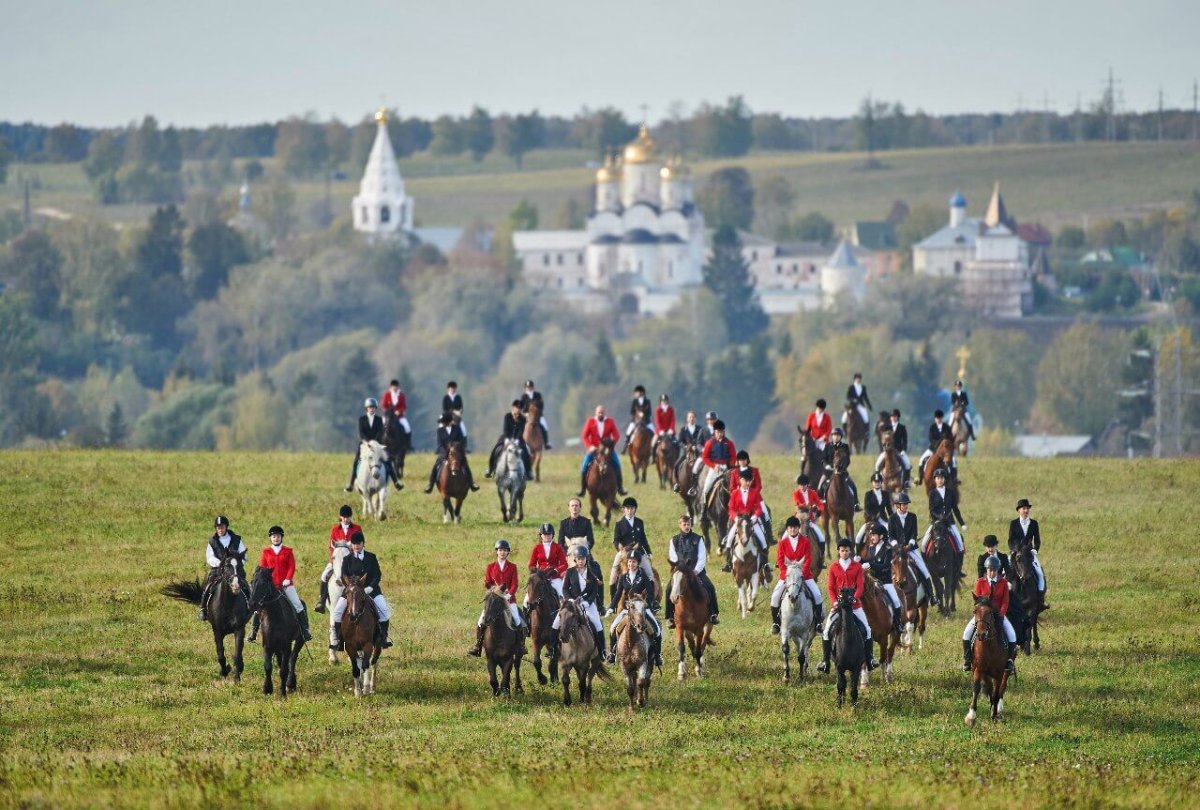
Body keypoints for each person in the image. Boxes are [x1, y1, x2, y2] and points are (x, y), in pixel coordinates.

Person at [817, 538, 878, 672]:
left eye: (847, 551)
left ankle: (870, 659)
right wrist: (834, 601)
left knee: (867, 630)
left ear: (850, 552)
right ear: (838, 551)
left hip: (854, 606)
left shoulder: (857, 567)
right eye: (842, 550)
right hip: (838, 606)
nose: (844, 553)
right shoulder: (833, 567)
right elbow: (830, 587)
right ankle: (825, 661)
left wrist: (854, 598)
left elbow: (860, 586)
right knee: (826, 631)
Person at [330, 531, 393, 650]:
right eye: (354, 544)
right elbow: (344, 576)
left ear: (363, 544)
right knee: (337, 612)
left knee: (384, 611)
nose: (356, 546)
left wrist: (370, 587)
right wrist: (349, 588)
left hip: (371, 590)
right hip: (352, 592)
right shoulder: (347, 559)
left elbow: (377, 575)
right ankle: (339, 640)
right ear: (352, 545)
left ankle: (383, 638)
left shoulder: (371, 557)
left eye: (359, 544)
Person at [250, 525, 312, 643]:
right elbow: (263, 568)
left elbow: (291, 566)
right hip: (270, 586)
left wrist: (288, 579)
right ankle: (253, 632)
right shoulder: (266, 552)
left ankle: (305, 631)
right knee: (259, 605)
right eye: (274, 536)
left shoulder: (288, 551)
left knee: (298, 604)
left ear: (281, 537)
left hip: (286, 585)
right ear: (270, 538)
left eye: (278, 536)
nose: (276, 538)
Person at [468, 539, 527, 657]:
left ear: (508, 552)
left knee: (517, 620)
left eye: (505, 550)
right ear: (497, 552)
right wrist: (488, 586)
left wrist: (509, 594)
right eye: (500, 550)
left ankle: (520, 645)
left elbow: (515, 584)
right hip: (494, 600)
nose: (502, 552)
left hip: (509, 599)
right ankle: (478, 646)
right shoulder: (490, 567)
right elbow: (488, 583)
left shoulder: (512, 567)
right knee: (481, 621)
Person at [606, 552, 663, 666]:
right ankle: (612, 653)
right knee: (612, 628)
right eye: (630, 561)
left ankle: (657, 655)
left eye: (634, 562)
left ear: (638, 563)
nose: (631, 564)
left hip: (642, 608)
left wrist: (647, 604)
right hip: (628, 609)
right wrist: (611, 607)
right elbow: (618, 594)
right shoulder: (623, 577)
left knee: (656, 630)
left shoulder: (644, 576)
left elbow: (650, 593)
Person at [769, 516, 823, 634]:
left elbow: (808, 559)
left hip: (804, 575)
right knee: (774, 597)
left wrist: (801, 573)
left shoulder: (805, 541)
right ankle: (776, 623)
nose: (793, 530)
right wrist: (786, 574)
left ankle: (818, 623)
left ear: (799, 528)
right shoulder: (782, 543)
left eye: (795, 528)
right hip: (787, 576)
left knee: (817, 595)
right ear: (787, 529)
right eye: (790, 528)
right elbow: (780, 560)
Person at [963, 556, 1017, 673]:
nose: (992, 573)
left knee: (1012, 635)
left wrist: (1001, 614)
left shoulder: (1003, 583)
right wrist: (980, 614)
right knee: (966, 633)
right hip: (982, 615)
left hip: (998, 615)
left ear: (997, 570)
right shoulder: (980, 582)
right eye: (989, 570)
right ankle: (967, 660)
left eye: (994, 570)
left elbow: (1005, 601)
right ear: (986, 570)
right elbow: (978, 601)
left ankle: (1009, 660)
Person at [665, 514, 720, 627]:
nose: (686, 526)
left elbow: (702, 557)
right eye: (684, 524)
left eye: (688, 524)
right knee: (668, 589)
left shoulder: (698, 539)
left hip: (696, 572)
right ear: (680, 525)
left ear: (691, 525)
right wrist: (679, 569)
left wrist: (696, 571)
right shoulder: (674, 540)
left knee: (710, 587)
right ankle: (670, 616)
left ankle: (713, 613)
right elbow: (673, 557)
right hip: (680, 572)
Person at [888, 492, 939, 607]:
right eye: (904, 504)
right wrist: (897, 546)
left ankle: (932, 596)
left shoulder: (912, 517)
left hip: (911, 549)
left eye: (907, 504)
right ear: (898, 505)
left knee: (924, 570)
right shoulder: (892, 518)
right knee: (887, 568)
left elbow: (914, 534)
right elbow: (891, 536)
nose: (906, 506)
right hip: (897, 550)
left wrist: (909, 545)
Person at [556, 546, 607, 661]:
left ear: (586, 559)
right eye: (579, 559)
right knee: (557, 622)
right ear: (575, 559)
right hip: (572, 603)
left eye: (583, 559)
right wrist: (570, 600)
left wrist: (588, 602)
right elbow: (564, 589)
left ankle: (602, 651)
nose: (581, 561)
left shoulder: (591, 573)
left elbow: (594, 591)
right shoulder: (570, 572)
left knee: (598, 624)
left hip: (587, 604)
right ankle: (555, 649)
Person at [346, 398, 403, 493]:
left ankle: (396, 482)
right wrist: (368, 442)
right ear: (366, 408)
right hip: (365, 445)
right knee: (356, 461)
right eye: (370, 407)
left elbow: (380, 432)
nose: (371, 409)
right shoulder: (362, 419)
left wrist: (374, 442)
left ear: (375, 408)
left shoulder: (379, 419)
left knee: (388, 461)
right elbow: (361, 433)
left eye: (373, 407)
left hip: (377, 445)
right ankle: (351, 484)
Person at [199, 515, 247, 621]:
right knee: (208, 586)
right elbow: (210, 557)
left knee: (246, 585)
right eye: (218, 527)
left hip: (235, 569)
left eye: (222, 527)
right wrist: (221, 563)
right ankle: (203, 608)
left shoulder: (237, 539)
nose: (220, 529)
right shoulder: (212, 541)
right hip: (218, 570)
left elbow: (244, 556)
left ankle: (250, 606)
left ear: (226, 527)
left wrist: (237, 564)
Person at [860, 523, 904, 635]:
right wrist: (859, 560)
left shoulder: (888, 549)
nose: (872, 537)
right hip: (872, 580)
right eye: (871, 535)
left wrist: (871, 565)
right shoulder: (871, 548)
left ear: (881, 536)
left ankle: (897, 624)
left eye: (874, 535)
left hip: (885, 582)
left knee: (896, 601)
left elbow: (885, 566)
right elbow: (866, 561)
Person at [722, 468, 769, 570]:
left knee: (763, 540)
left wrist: (754, 517)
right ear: (740, 480)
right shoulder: (735, 493)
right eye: (745, 480)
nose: (747, 483)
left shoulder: (755, 493)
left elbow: (758, 508)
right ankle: (728, 563)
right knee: (729, 539)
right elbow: (731, 508)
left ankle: (765, 564)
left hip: (752, 521)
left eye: (749, 481)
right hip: (739, 521)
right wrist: (736, 518)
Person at [317, 505, 360, 612]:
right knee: (324, 576)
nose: (346, 519)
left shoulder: (357, 528)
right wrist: (334, 559)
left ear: (350, 517)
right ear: (340, 517)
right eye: (344, 517)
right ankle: (322, 600)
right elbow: (331, 546)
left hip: (352, 560)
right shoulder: (335, 529)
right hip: (336, 560)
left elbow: (360, 544)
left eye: (348, 517)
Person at [577, 404, 628, 497]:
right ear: (596, 413)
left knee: (617, 464)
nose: (600, 414)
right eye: (599, 412)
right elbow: (585, 436)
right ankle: (583, 488)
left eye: (602, 413)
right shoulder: (590, 421)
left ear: (604, 413)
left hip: (607, 450)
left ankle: (620, 488)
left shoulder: (610, 421)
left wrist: (610, 445)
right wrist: (590, 446)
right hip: (594, 449)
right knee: (584, 465)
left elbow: (616, 435)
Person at [423, 412, 479, 494]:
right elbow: (440, 445)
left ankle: (472, 484)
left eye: (443, 422)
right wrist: (446, 453)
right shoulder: (440, 431)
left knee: (466, 466)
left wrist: (456, 449)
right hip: (444, 454)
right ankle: (430, 485)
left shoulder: (457, 429)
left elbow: (461, 441)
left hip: (457, 453)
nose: (442, 423)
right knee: (435, 467)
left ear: (447, 421)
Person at [1008, 498, 1048, 610]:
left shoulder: (1034, 523)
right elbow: (1010, 540)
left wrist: (1035, 550)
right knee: (1004, 571)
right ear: (1019, 510)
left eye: (1027, 508)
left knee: (1040, 574)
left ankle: (1041, 600)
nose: (1026, 511)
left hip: (1029, 554)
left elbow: (1037, 540)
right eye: (1023, 509)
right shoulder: (1013, 523)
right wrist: (1013, 549)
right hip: (1016, 553)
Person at [612, 497, 655, 588]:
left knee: (650, 574)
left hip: (638, 552)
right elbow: (616, 540)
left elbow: (643, 538)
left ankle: (651, 596)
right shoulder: (619, 524)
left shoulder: (640, 522)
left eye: (632, 508)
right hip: (624, 552)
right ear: (624, 509)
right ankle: (613, 595)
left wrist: (648, 551)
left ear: (635, 509)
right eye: (627, 508)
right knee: (614, 573)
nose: (629, 511)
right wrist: (619, 546)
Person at [922, 468, 966, 558]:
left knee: (960, 544)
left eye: (942, 478)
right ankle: (925, 561)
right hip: (936, 523)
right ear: (935, 480)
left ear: (944, 479)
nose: (940, 480)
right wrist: (939, 517)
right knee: (923, 544)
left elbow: (955, 509)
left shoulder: (950, 493)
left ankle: (958, 563)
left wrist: (962, 523)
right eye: (938, 478)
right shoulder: (932, 493)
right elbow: (932, 510)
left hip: (949, 522)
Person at [485, 400, 533, 479]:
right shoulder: (507, 416)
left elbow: (521, 431)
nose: (519, 410)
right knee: (495, 449)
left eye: (520, 408)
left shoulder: (523, 419)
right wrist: (508, 439)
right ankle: (490, 469)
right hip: (506, 437)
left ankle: (528, 471)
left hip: (518, 439)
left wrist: (517, 440)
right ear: (513, 408)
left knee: (526, 451)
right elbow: (505, 429)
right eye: (517, 408)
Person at [559, 497, 602, 583]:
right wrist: (566, 553)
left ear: (580, 508)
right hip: (569, 553)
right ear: (569, 508)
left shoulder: (586, 522)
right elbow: (560, 541)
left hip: (583, 552)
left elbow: (591, 540)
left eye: (576, 505)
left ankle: (598, 588)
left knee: (596, 570)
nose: (574, 507)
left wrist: (584, 551)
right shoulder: (563, 523)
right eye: (572, 506)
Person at [818, 427, 860, 511]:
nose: (836, 437)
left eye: (838, 435)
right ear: (832, 436)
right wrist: (826, 466)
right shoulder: (827, 446)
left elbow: (848, 460)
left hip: (842, 472)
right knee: (820, 486)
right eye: (834, 435)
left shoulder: (845, 447)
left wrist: (842, 468)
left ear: (841, 437)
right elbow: (823, 459)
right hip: (829, 472)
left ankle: (855, 504)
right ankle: (820, 504)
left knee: (852, 485)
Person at [696, 419, 736, 504]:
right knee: (706, 487)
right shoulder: (709, 443)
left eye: (721, 432)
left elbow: (733, 456)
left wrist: (730, 465)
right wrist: (713, 466)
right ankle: (703, 507)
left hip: (727, 469)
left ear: (724, 432)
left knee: (735, 487)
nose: (720, 434)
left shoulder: (729, 443)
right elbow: (705, 457)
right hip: (714, 469)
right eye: (718, 432)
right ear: (714, 432)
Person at [525, 522, 567, 604]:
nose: (547, 536)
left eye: (549, 534)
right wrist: (538, 572)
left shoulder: (557, 547)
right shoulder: (537, 548)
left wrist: (556, 570)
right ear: (541, 535)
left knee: (562, 596)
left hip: (554, 578)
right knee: (526, 599)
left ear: (552, 535)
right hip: (540, 578)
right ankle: (526, 611)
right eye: (545, 534)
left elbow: (564, 564)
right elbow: (531, 565)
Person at [875, 408, 912, 486]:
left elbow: (905, 440)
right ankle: (878, 482)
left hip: (898, 450)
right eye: (892, 416)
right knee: (877, 465)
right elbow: (882, 439)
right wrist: (884, 448)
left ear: (898, 417)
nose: (893, 418)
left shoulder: (902, 427)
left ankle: (906, 483)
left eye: (895, 416)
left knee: (907, 465)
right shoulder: (886, 427)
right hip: (887, 450)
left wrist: (903, 450)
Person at [916, 410, 954, 485]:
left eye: (940, 418)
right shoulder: (932, 427)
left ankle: (953, 479)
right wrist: (938, 445)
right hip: (933, 449)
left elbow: (950, 438)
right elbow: (931, 439)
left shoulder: (947, 427)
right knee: (921, 460)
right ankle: (920, 478)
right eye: (937, 418)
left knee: (953, 462)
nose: (938, 419)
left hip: (944, 451)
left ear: (942, 418)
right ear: (935, 418)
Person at [855, 472, 892, 544]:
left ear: (881, 482)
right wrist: (873, 516)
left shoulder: (886, 494)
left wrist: (893, 518)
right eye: (875, 482)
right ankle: (857, 551)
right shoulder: (868, 494)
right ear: (872, 483)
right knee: (858, 538)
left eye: (878, 482)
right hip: (871, 520)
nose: (877, 483)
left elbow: (889, 509)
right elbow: (867, 509)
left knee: (890, 533)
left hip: (883, 519)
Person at [791, 474, 827, 548]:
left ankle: (821, 553)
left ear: (807, 485)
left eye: (804, 485)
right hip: (798, 517)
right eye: (800, 485)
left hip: (809, 518)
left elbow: (820, 504)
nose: (802, 487)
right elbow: (798, 503)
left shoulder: (812, 493)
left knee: (822, 538)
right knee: (785, 536)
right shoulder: (796, 493)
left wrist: (819, 510)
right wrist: (808, 506)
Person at [380, 379, 412, 450]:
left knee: (407, 428)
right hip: (388, 416)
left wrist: (399, 411)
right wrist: (387, 412)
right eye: (393, 386)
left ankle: (408, 445)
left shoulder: (401, 395)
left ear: (398, 387)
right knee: (380, 427)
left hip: (399, 416)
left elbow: (404, 406)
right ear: (391, 387)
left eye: (396, 386)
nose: (394, 388)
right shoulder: (387, 394)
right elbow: (383, 405)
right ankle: (379, 444)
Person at [520, 379, 551, 449]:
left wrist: (537, 412)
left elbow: (541, 405)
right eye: (527, 387)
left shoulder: (538, 395)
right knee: (521, 426)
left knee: (544, 425)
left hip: (538, 416)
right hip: (527, 416)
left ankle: (546, 443)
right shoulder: (523, 397)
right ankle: (520, 442)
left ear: (533, 387)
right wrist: (525, 413)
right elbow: (521, 407)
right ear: (525, 388)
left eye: (530, 387)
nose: (529, 388)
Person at [622, 385, 653, 452]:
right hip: (636, 421)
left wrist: (644, 414)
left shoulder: (647, 401)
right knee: (628, 432)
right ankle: (626, 445)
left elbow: (649, 413)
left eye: (637, 392)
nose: (635, 394)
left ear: (641, 393)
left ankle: (653, 448)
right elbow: (632, 412)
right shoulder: (634, 401)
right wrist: (638, 414)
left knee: (654, 432)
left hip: (646, 421)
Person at [442, 381, 467, 449]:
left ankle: (464, 447)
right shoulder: (446, 397)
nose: (452, 389)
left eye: (454, 388)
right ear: (448, 389)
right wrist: (453, 412)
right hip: (447, 418)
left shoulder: (458, 397)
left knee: (464, 430)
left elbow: (461, 408)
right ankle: (440, 447)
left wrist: (458, 413)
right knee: (440, 428)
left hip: (457, 418)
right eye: (451, 388)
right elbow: (444, 409)